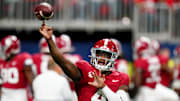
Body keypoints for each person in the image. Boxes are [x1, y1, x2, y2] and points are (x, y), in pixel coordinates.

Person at [39, 24, 130, 101]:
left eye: (106, 55)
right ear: (93, 53)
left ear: (113, 57)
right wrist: (50, 40)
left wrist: (103, 87)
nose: (102, 58)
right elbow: (63, 63)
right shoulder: (85, 69)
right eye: (99, 53)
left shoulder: (121, 77)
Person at [0, 35, 35, 101]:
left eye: (3, 48)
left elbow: (31, 80)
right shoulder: (2, 61)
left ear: (9, 49)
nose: (1, 50)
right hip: (5, 95)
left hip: (19, 94)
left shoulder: (23, 59)